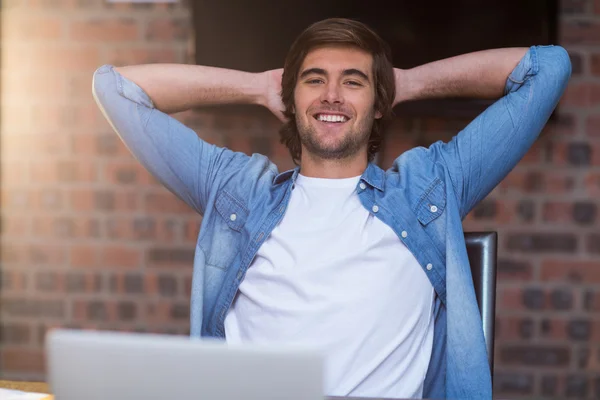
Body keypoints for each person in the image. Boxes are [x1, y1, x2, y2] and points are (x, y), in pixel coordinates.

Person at [92, 18, 571, 399]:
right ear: (291, 97)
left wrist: (405, 83)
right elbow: (115, 89)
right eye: (314, 79)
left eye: (354, 82)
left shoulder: (432, 187)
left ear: (378, 103)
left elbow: (547, 69)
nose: (332, 95)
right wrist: (256, 87)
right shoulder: (235, 189)